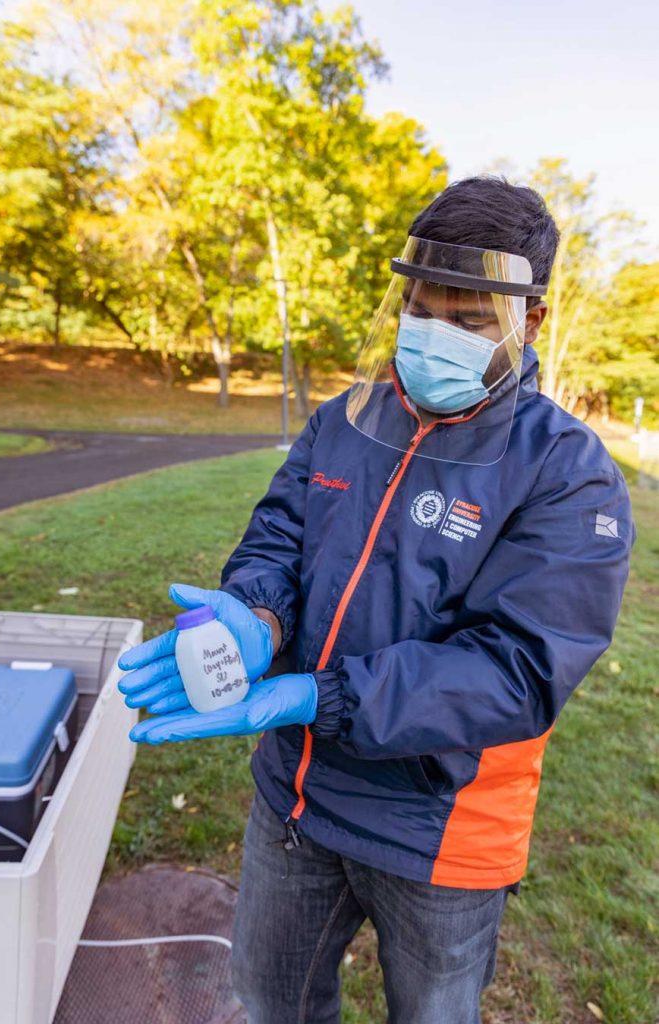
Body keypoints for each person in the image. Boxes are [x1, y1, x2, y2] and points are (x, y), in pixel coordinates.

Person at [117, 177, 634, 1024]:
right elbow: (281, 540)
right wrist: (258, 617)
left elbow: (515, 670)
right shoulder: (344, 418)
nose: (433, 338)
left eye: (466, 323)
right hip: (297, 797)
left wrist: (320, 695)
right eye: (421, 310)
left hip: (442, 833)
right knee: (267, 999)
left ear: (529, 320)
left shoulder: (568, 473)